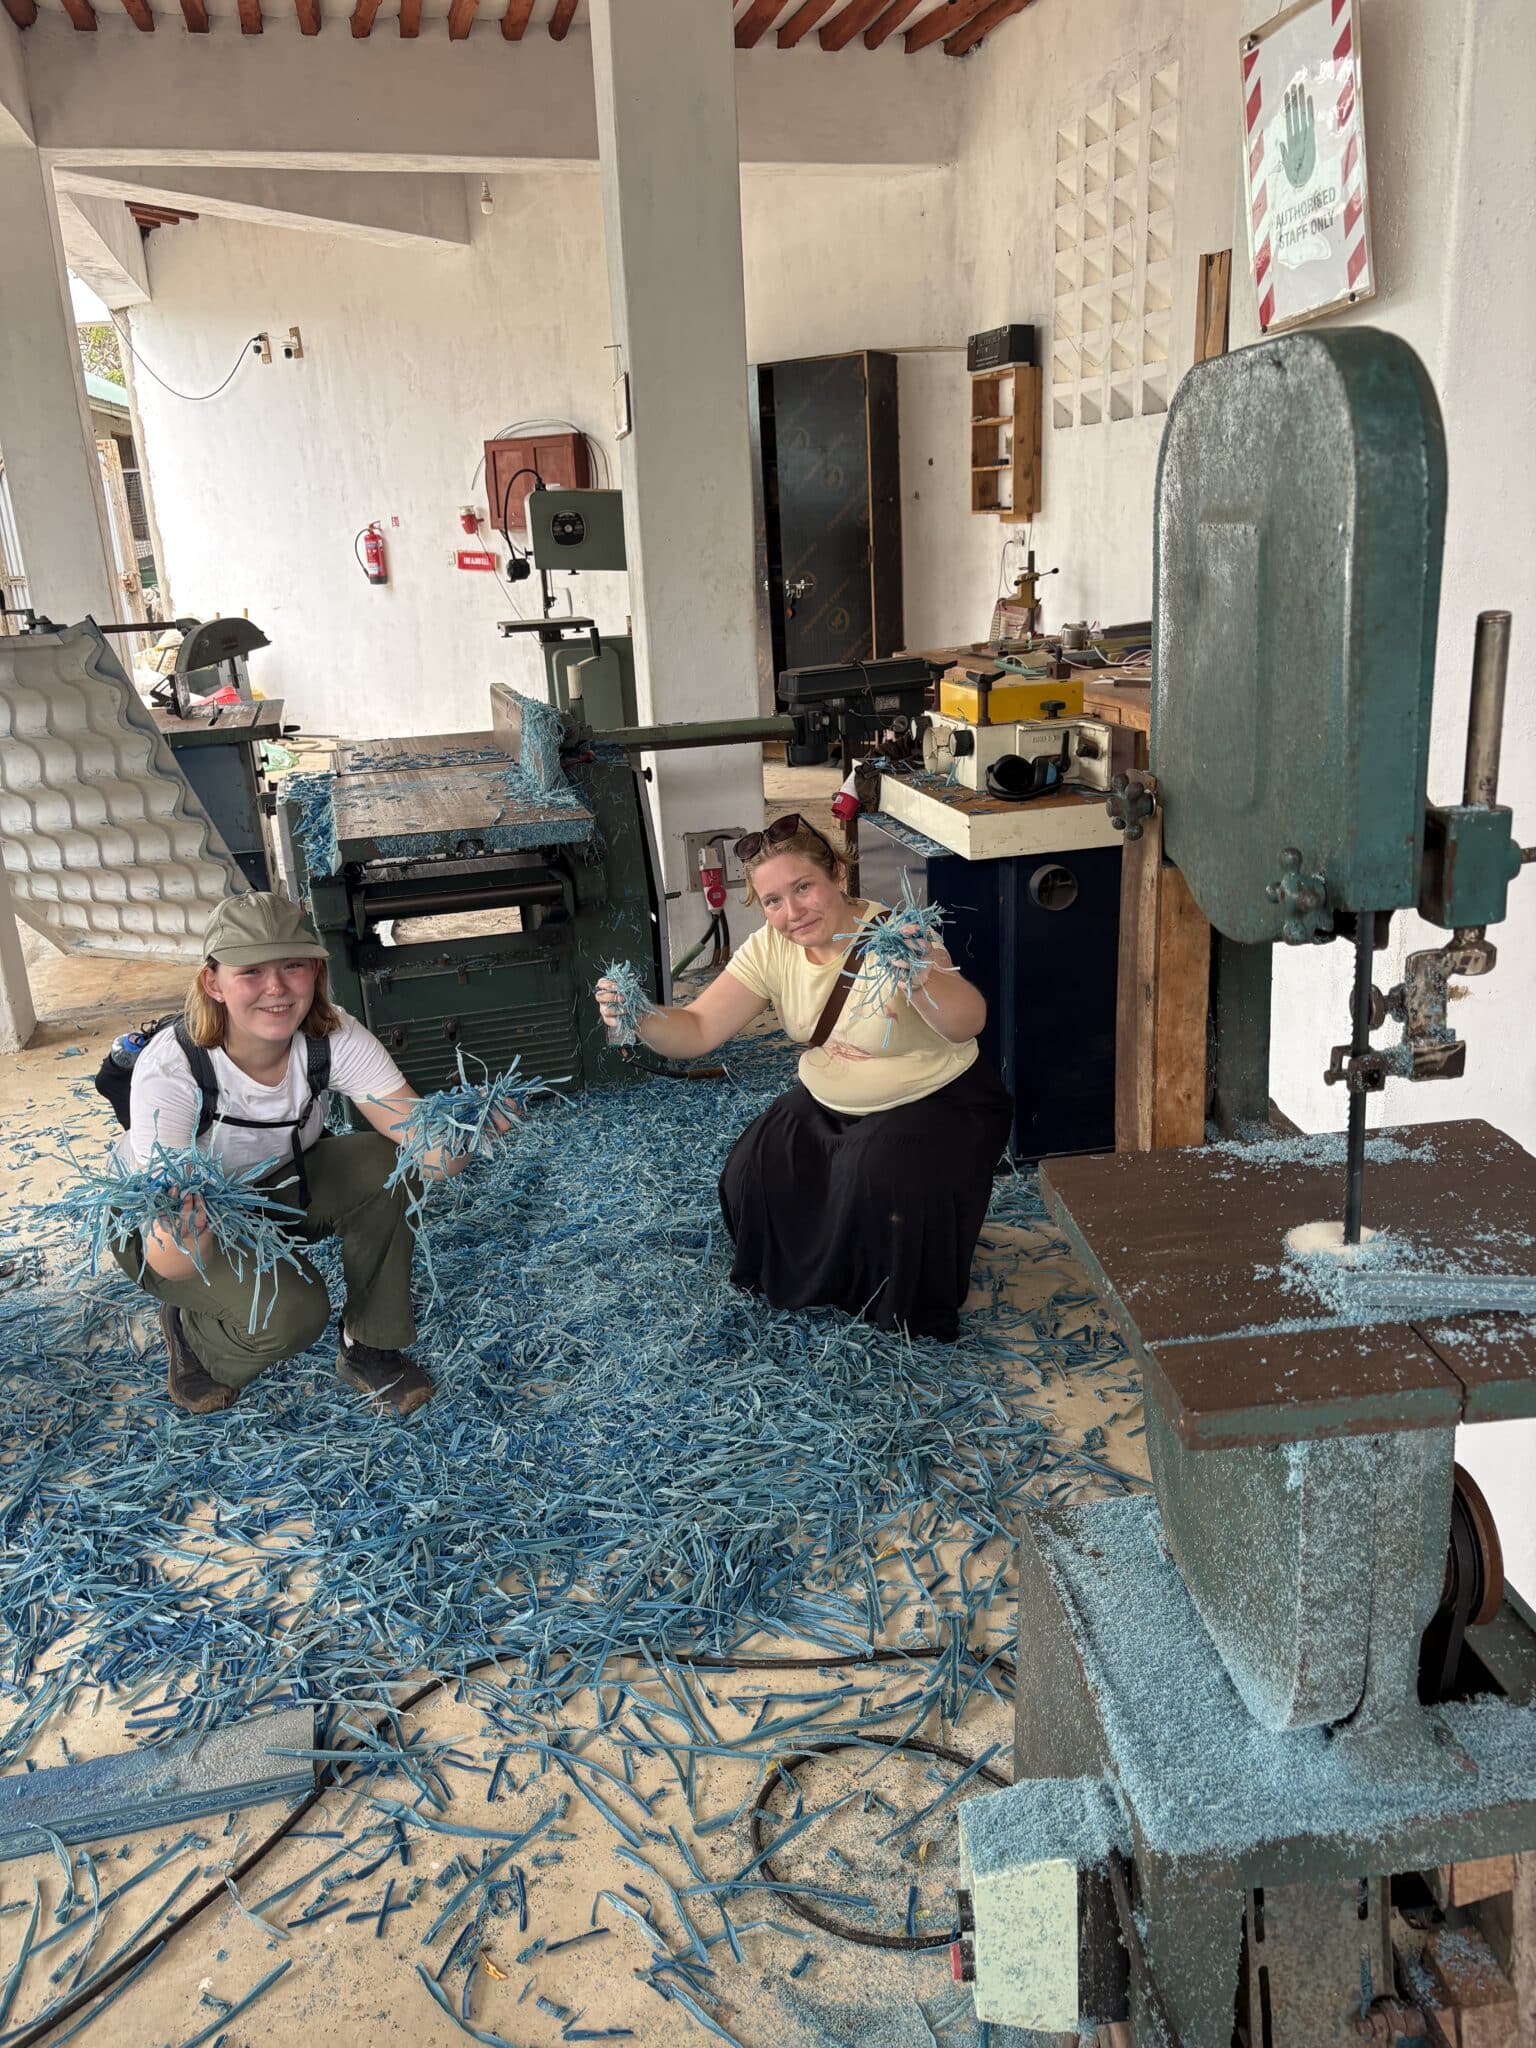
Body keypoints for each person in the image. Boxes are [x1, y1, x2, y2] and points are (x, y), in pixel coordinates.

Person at [597, 814, 1011, 1341]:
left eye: (803, 888)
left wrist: (923, 976)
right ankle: (819, 1283)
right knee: (752, 1170)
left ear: (837, 873)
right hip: (830, 1096)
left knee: (878, 1173)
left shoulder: (897, 934)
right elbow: (698, 1027)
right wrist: (639, 1017)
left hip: (936, 1097)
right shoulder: (770, 948)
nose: (791, 913)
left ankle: (894, 1304)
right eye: (772, 900)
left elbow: (968, 1023)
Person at [115, 892, 500, 1417]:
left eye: (292, 966)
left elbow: (431, 1158)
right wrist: (189, 1233)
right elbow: (174, 1259)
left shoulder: (331, 1035)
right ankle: (192, 1332)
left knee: (390, 1163)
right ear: (213, 982)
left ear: (315, 972)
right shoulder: (174, 1070)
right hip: (167, 1233)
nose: (276, 988)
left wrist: (466, 1130)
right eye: (251, 971)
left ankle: (369, 1344)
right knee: (294, 1313)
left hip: (275, 1185)